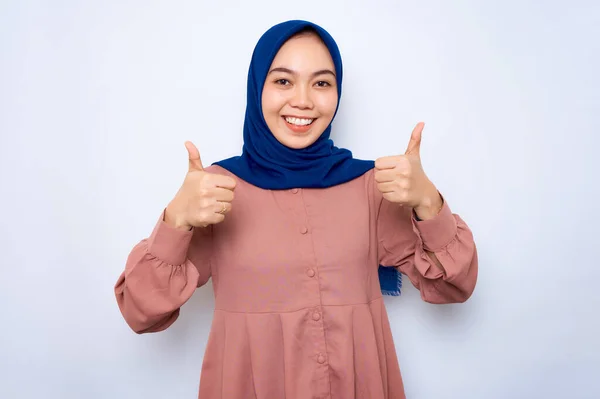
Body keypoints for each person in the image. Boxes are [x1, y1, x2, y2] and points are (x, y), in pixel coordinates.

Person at [114, 19, 478, 399]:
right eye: (283, 81)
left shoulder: (371, 186)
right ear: (257, 88)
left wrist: (427, 203)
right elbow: (141, 312)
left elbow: (454, 287)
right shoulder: (216, 190)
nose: (303, 100)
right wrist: (177, 220)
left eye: (322, 82)